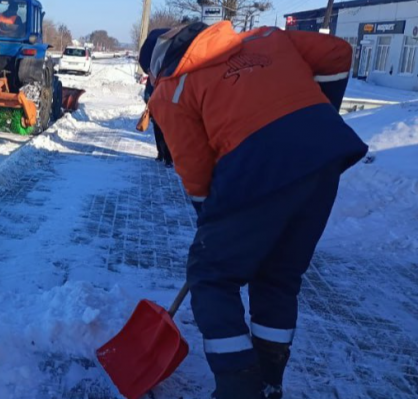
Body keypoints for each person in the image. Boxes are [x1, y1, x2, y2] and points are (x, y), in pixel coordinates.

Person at [141, 21, 368, 399]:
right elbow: (337, 53)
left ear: (157, 65)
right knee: (277, 274)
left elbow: (195, 171)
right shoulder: (267, 37)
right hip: (323, 156)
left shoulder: (172, 88)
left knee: (211, 274)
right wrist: (316, 116)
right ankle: (268, 382)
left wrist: (211, 230)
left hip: (255, 166)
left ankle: (238, 389)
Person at [139, 28, 173, 166]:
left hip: (153, 86)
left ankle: (160, 153)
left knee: (158, 121)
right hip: (170, 85)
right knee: (169, 124)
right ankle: (169, 157)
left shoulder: (154, 40)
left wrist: (149, 71)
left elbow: (143, 59)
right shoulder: (176, 42)